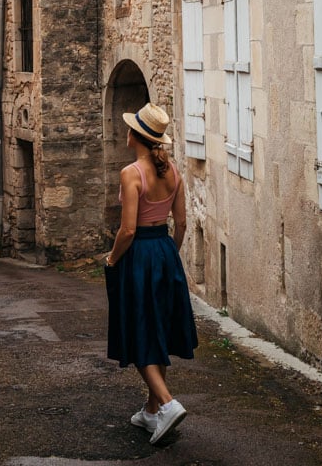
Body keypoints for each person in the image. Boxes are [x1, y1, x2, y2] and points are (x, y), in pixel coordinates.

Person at [104, 103, 198, 446]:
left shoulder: (131, 173)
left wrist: (113, 260)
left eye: (129, 127)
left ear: (135, 136)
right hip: (164, 251)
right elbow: (183, 222)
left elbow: (127, 230)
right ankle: (150, 409)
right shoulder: (172, 171)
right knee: (156, 326)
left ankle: (169, 405)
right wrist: (170, 253)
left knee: (139, 329)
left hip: (139, 253)